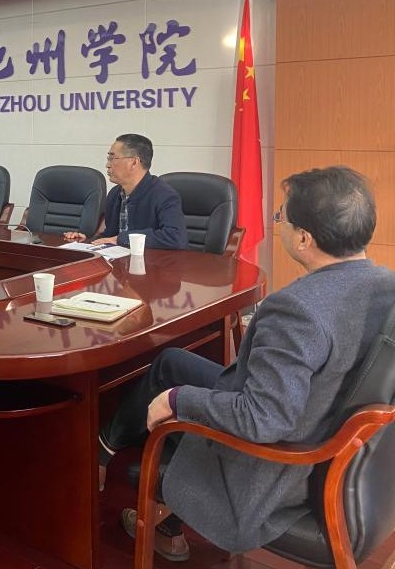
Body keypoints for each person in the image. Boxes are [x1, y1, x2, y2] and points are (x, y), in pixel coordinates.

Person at [98, 166, 395, 560]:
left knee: (173, 393)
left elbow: (262, 419)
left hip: (276, 470)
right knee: (171, 362)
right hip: (331, 430)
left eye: (281, 216)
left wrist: (177, 400)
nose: (278, 223)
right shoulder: (385, 284)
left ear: (304, 239)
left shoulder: (298, 310)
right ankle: (107, 453)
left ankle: (120, 476)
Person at [65, 133, 185, 249]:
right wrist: (87, 241)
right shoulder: (115, 194)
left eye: (112, 158)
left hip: (152, 261)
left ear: (134, 162)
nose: (107, 165)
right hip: (120, 258)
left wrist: (121, 239)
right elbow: (110, 236)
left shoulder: (164, 195)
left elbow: (176, 237)